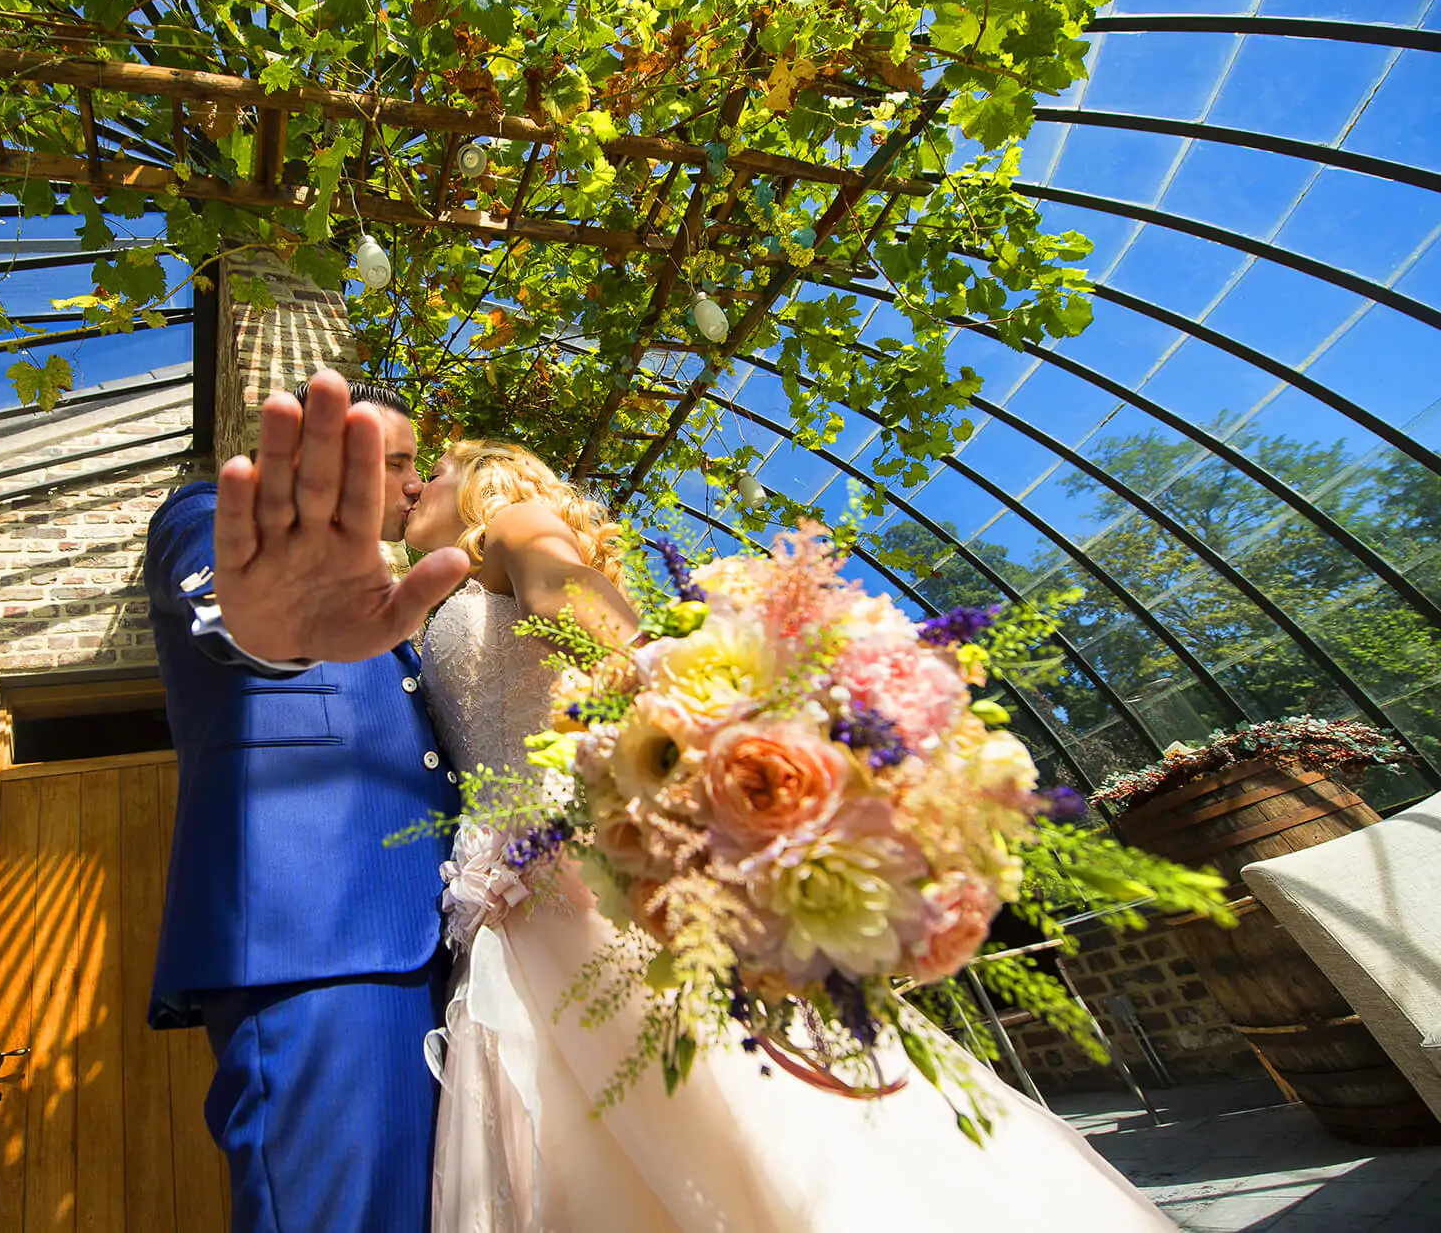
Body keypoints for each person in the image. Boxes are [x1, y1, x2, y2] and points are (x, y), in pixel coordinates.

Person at [403, 437, 1177, 1232]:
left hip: (582, 875)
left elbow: (562, 586)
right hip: (506, 899)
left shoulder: (514, 522)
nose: (415, 484)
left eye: (433, 469)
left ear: (487, 484)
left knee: (720, 1111)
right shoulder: (435, 598)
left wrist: (671, 683)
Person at [141, 370, 471, 1232]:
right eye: (391, 459)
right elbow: (219, 605)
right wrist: (268, 640)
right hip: (321, 943)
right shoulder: (204, 517)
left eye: (413, 465)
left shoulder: (392, 609)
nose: (410, 482)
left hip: (448, 956)